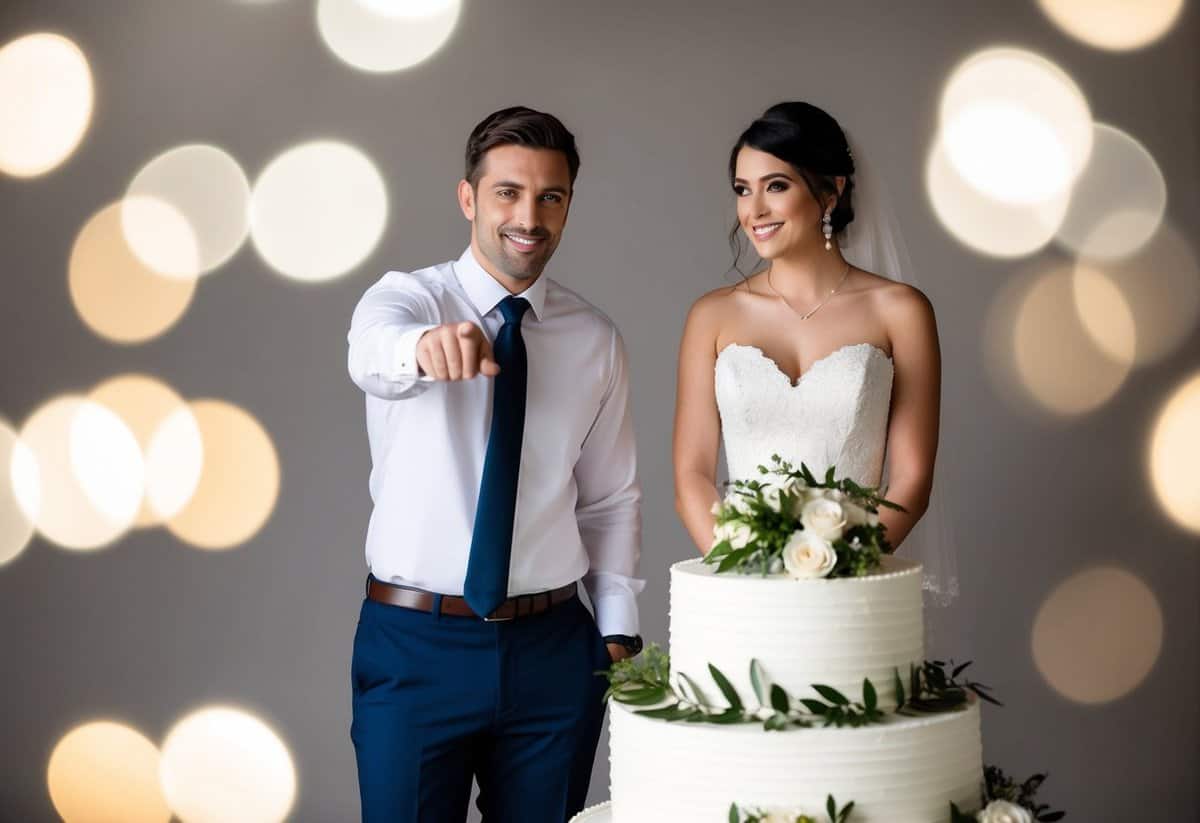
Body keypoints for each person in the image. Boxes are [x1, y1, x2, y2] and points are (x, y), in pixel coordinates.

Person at [346, 105, 644, 823]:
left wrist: (616, 632)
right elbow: (371, 352)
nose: (529, 217)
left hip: (553, 651)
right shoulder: (408, 299)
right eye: (508, 192)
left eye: (551, 196)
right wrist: (423, 348)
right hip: (416, 645)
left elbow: (608, 499)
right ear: (468, 197)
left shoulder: (594, 338)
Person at [673, 101, 941, 557]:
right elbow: (691, 475)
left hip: (851, 585)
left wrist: (832, 571)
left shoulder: (900, 311)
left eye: (776, 186)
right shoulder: (711, 316)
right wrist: (740, 569)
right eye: (742, 189)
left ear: (831, 192)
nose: (754, 209)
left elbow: (912, 481)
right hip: (739, 583)